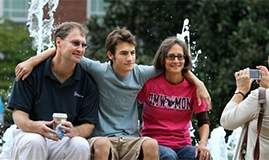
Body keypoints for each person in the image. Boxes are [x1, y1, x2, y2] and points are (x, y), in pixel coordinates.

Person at [15, 27, 211, 160]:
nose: (130, 58)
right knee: (101, 145)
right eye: (124, 53)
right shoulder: (99, 70)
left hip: (131, 139)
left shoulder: (142, 73)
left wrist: (198, 82)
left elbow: (175, 66)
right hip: (103, 138)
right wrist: (32, 61)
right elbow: (65, 51)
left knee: (151, 145)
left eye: (132, 53)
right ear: (111, 55)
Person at [0, 22, 99, 160]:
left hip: (62, 139)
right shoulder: (30, 73)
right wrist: (35, 126)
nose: (80, 49)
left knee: (80, 144)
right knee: (35, 141)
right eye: (75, 43)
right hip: (29, 135)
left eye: (83, 45)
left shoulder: (87, 82)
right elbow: (19, 116)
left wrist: (74, 130)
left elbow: (89, 125)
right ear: (59, 42)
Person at [137, 37, 212, 160]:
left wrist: (202, 144)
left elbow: (203, 121)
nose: (176, 61)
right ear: (163, 59)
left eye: (180, 56)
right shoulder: (150, 83)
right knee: (169, 156)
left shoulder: (194, 88)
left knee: (203, 157)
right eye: (171, 56)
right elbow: (130, 103)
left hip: (182, 146)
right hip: (154, 144)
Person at [220, 41, 269, 159]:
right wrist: (265, 89)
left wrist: (240, 91)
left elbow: (227, 121)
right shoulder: (263, 97)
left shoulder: (260, 98)